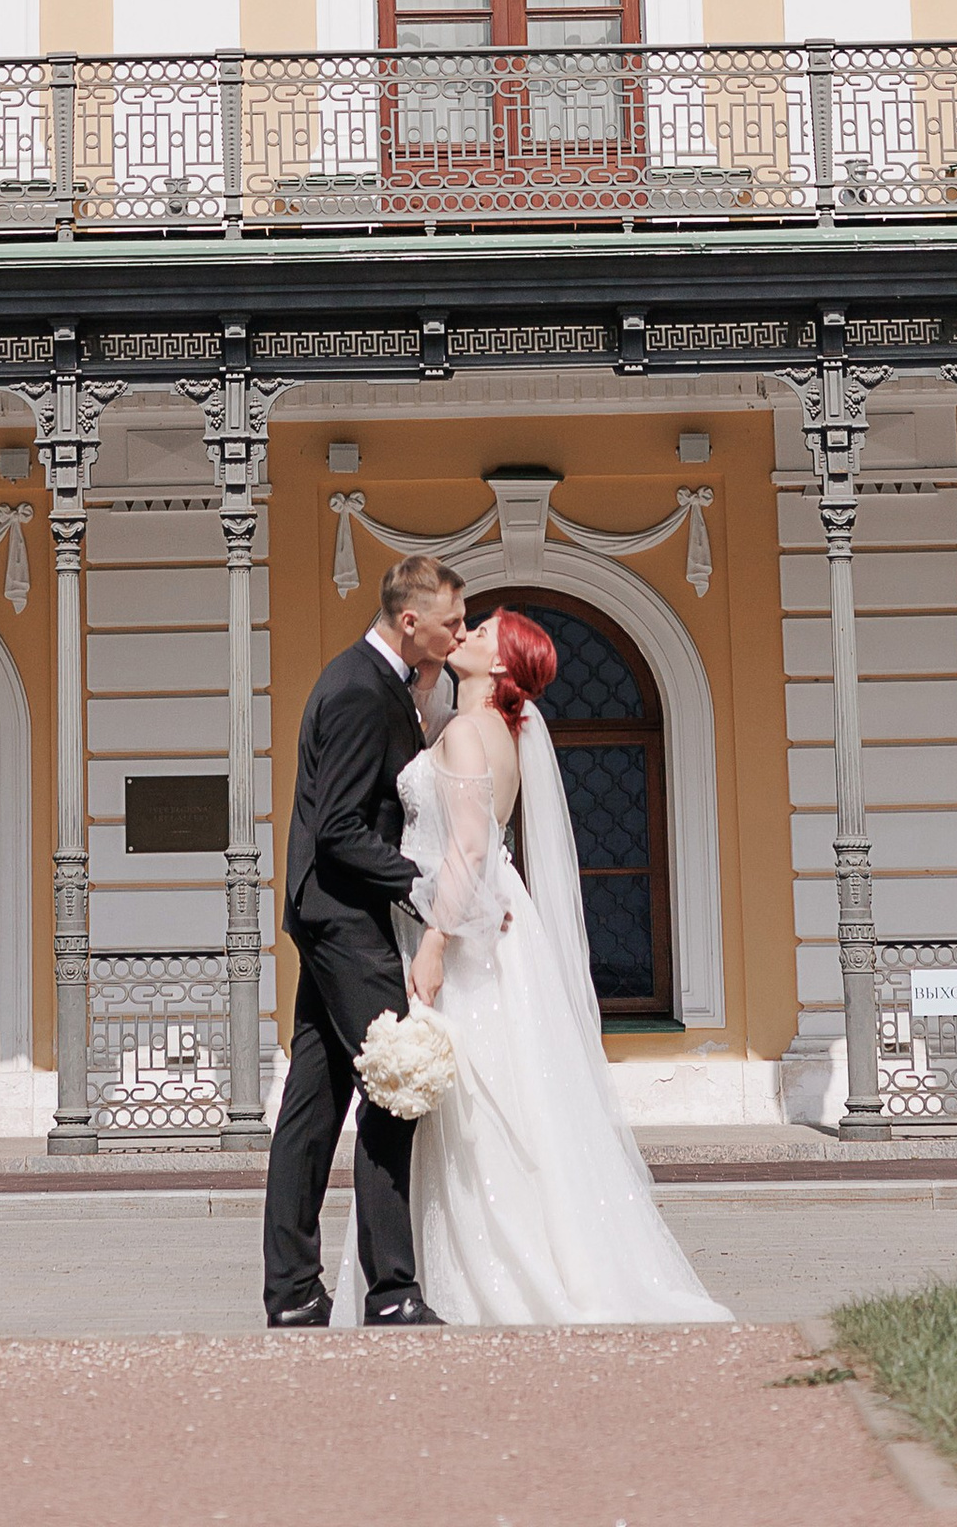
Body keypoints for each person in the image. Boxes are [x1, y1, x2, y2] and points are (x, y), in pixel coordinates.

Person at [333, 606, 731, 1328]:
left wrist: (433, 943)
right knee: (498, 1100)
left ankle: (479, 1272)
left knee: (474, 1106)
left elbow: (471, 850)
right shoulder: (492, 729)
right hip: (490, 924)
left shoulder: (466, 730)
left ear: (504, 667)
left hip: (461, 928)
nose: (468, 635)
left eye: (482, 634)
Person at [261, 551, 468, 1326]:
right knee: (396, 1087)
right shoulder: (356, 690)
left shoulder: (377, 681)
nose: (459, 633)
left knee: (313, 1105)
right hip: (345, 920)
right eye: (450, 622)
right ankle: (391, 1293)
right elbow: (341, 830)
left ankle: (290, 1294)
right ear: (409, 620)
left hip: (330, 915)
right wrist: (418, 882)